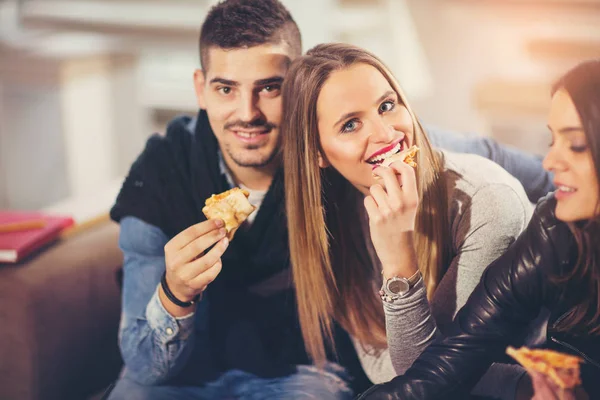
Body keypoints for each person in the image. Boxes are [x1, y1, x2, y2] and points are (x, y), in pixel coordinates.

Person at [107, 1, 554, 399]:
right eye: (226, 89)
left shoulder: (376, 153)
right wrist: (175, 294)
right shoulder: (163, 174)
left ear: (298, 90)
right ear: (201, 89)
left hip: (304, 375)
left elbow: (515, 169)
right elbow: (146, 366)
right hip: (187, 371)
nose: (248, 113)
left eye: (269, 87)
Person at [281, 42, 537, 399]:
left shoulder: (487, 202)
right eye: (351, 124)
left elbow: (436, 381)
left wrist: (398, 263)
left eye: (387, 106)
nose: (386, 134)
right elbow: (381, 366)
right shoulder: (340, 216)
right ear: (318, 153)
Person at [357, 59, 600, 400]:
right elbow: (452, 359)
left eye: (575, 144)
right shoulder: (554, 229)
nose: (550, 162)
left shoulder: (488, 199)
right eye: (552, 141)